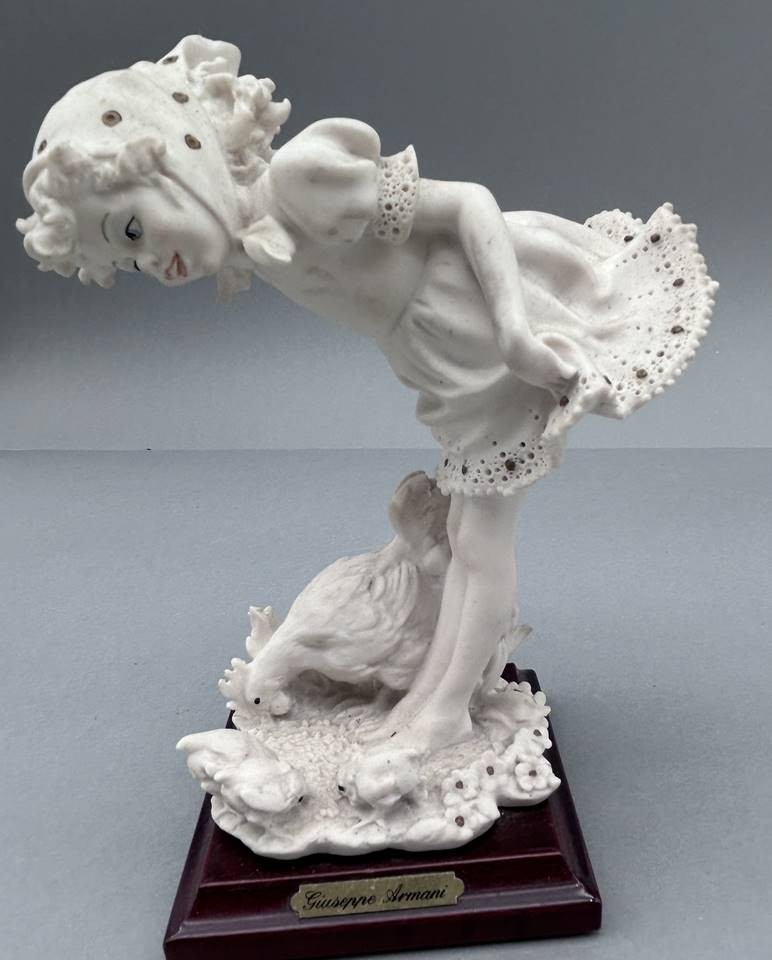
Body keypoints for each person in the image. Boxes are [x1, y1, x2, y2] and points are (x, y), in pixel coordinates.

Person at [17, 34, 717, 755]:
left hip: (479, 331)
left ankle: (446, 711)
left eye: (133, 228)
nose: (151, 263)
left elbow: (468, 205)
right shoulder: (258, 236)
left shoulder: (301, 180)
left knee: (480, 542)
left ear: (180, 156)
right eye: (129, 260)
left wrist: (515, 334)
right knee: (463, 538)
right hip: (441, 359)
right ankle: (432, 696)